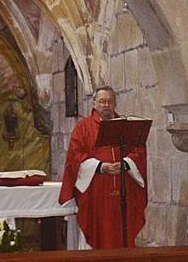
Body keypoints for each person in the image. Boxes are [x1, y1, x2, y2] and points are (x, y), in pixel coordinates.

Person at [58, 87, 148, 248]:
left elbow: (138, 149)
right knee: (99, 228)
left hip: (124, 188)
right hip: (96, 190)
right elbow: (75, 156)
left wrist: (125, 163)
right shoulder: (83, 128)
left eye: (110, 101)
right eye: (102, 101)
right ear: (94, 104)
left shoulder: (127, 127)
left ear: (115, 103)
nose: (106, 105)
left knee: (123, 229)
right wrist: (100, 166)